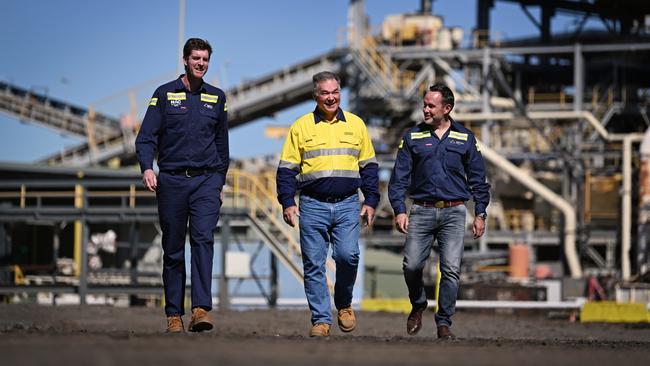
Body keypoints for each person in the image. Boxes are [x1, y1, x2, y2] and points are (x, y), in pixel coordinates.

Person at [135, 38, 229, 333]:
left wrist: (218, 181)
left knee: (203, 240)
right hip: (172, 181)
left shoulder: (217, 97)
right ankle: (174, 315)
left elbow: (222, 145)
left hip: (206, 182)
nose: (201, 63)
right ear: (185, 60)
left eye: (205, 59)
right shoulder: (163, 95)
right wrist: (147, 168)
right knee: (173, 248)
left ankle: (200, 310)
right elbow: (146, 137)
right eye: (196, 58)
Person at [276, 71, 379, 337]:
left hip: (347, 204)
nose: (330, 97)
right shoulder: (301, 126)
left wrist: (371, 200)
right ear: (315, 95)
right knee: (313, 264)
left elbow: (368, 167)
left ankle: (343, 303)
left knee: (348, 255)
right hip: (312, 205)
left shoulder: (356, 125)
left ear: (340, 93)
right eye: (325, 93)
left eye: (335, 92)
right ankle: (320, 320)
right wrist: (287, 202)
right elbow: (286, 169)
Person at [388, 83, 490, 339]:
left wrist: (480, 213)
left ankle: (444, 323)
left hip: (455, 213)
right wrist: (400, 210)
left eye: (430, 105)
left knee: (451, 270)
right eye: (424, 104)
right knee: (411, 266)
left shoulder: (465, 138)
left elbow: (479, 179)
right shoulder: (412, 138)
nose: (425, 109)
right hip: (421, 212)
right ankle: (418, 303)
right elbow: (399, 178)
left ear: (447, 108)